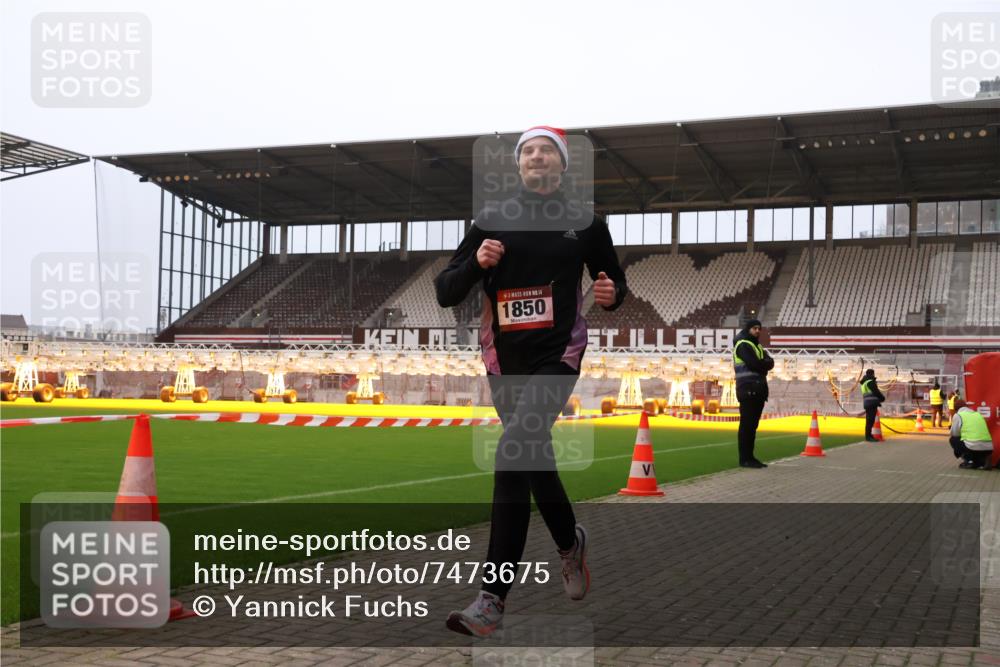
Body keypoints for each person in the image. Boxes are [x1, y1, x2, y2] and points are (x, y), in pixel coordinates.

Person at [435, 125, 628, 638]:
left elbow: (614, 282)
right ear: (518, 165)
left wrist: (611, 293)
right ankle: (571, 544)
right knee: (532, 460)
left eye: (546, 151)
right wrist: (476, 263)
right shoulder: (492, 220)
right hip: (504, 362)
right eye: (528, 152)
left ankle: (491, 601)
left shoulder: (586, 223)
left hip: (557, 356)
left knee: (512, 454)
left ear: (562, 165)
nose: (537, 157)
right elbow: (445, 290)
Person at [733, 319, 774, 468]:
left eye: (759, 328)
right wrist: (764, 366)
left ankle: (750, 457)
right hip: (748, 389)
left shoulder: (757, 346)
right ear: (748, 329)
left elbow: (771, 362)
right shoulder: (743, 344)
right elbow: (756, 364)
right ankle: (745, 459)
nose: (757, 331)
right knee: (747, 426)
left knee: (752, 426)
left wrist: (763, 365)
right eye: (754, 328)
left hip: (758, 390)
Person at [949, 399, 994, 470]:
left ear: (956, 409)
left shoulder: (958, 415)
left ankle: (969, 461)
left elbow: (954, 433)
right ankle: (982, 461)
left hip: (972, 446)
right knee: (974, 444)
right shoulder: (977, 414)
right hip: (988, 447)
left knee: (953, 439)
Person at [860, 369, 885, 442]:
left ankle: (869, 435)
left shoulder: (864, 383)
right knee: (870, 420)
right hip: (871, 403)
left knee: (869, 420)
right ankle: (868, 437)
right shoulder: (870, 382)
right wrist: (882, 398)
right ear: (872, 374)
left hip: (867, 403)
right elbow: (876, 392)